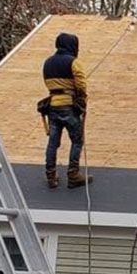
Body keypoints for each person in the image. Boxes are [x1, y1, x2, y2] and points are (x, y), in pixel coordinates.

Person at [42, 32, 92, 189]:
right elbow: (81, 83)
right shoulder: (73, 62)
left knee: (53, 142)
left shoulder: (47, 62)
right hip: (69, 107)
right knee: (77, 140)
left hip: (52, 107)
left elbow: (48, 83)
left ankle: (51, 176)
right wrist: (82, 99)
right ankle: (73, 175)